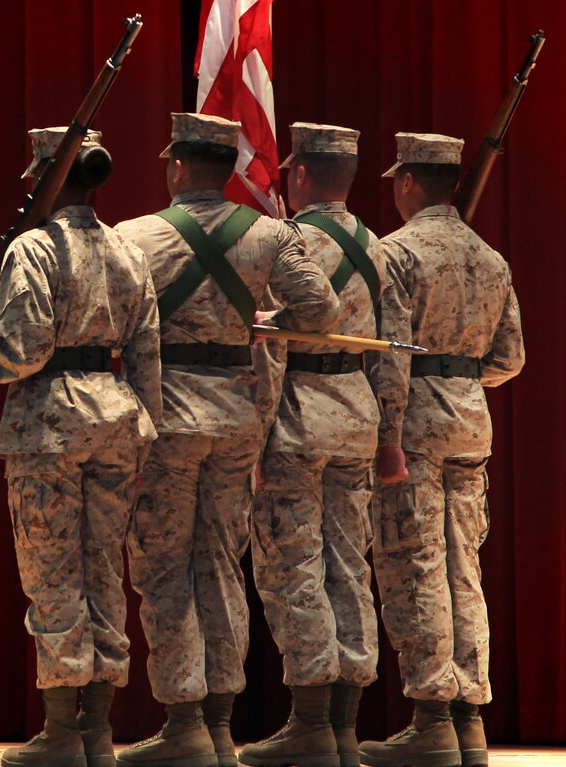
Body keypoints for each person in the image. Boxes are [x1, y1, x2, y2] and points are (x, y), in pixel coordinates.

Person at [112, 113, 340, 767]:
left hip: (168, 416)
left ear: (178, 167)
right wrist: (265, 318)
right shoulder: (268, 233)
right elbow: (321, 311)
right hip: (240, 416)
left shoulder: (137, 236)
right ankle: (218, 720)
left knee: (163, 566)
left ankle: (185, 721)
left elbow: (118, 324)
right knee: (219, 562)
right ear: (227, 167)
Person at [0, 128, 162, 767]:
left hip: (51, 422)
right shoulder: (129, 249)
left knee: (54, 573)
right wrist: (144, 423)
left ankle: (64, 733)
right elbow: (147, 354)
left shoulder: (33, 249)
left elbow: (23, 351)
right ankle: (98, 729)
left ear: (47, 177)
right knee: (103, 570)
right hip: (119, 417)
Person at [358, 133, 524, 767]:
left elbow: (393, 358)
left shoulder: (396, 254)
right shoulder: (491, 257)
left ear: (405, 182)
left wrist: (388, 437)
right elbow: (510, 359)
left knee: (415, 564)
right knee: (463, 567)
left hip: (416, 424)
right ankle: (468, 719)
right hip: (470, 419)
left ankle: (431, 717)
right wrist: (460, 375)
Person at [237, 123, 385, 767]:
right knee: (351, 566)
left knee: (291, 568)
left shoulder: (289, 244)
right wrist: (392, 437)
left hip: (296, 417)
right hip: (358, 415)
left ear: (298, 175)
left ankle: (311, 725)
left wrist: (259, 437)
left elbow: (271, 354)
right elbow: (396, 357)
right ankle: (346, 729)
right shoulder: (380, 248)